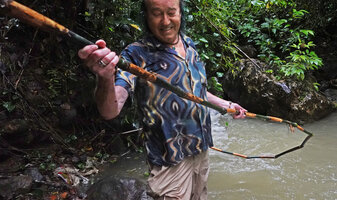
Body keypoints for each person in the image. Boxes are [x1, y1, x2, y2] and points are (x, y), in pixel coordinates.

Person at [78, 0, 246, 199]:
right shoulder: (136, 54)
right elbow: (110, 110)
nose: (165, 21)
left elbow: (194, 90)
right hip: (169, 162)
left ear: (181, 13)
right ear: (146, 17)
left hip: (200, 150)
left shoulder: (189, 44)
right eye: (157, 13)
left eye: (171, 12)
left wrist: (225, 104)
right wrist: (105, 77)